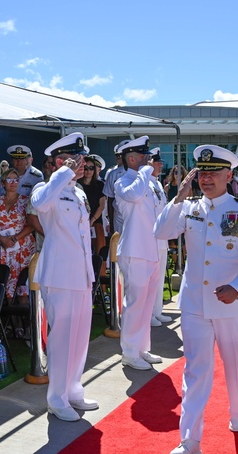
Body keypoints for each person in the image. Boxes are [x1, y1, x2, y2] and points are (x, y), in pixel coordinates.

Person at [153, 144, 238, 454]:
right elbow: (160, 232)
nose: (207, 178)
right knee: (195, 371)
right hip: (194, 304)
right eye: (202, 172)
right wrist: (177, 197)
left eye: (214, 172)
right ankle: (189, 440)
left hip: (231, 303)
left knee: (236, 364)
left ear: (229, 175)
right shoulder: (188, 208)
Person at [30, 133, 97, 422]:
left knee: (80, 337)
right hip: (59, 275)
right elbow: (41, 205)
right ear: (59, 161)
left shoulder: (79, 192)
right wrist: (63, 172)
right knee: (61, 339)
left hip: (80, 274)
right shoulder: (46, 188)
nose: (83, 164)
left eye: (82, 159)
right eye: (77, 159)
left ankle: (73, 390)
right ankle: (56, 398)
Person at [114, 136, 165, 370]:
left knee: (146, 304)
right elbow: (133, 196)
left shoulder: (149, 182)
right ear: (131, 158)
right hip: (135, 251)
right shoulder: (123, 181)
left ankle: (142, 347)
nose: (149, 160)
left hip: (151, 249)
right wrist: (145, 172)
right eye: (144, 156)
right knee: (135, 303)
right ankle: (129, 351)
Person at [0, 168, 35, 303]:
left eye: (16, 180)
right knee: (3, 285)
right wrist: (1, 238)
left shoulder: (26, 201)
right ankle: (7, 322)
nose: (13, 183)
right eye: (9, 180)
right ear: (3, 182)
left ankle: (23, 322)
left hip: (22, 247)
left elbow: (32, 225)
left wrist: (15, 239)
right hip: (1, 247)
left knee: (22, 287)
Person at [149, 148, 171, 325]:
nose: (161, 164)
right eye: (157, 162)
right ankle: (149, 314)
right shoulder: (146, 184)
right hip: (151, 238)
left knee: (159, 277)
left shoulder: (156, 183)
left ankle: (157, 311)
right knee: (151, 278)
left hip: (161, 238)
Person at [79, 154, 107, 250]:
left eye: (91, 168)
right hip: (79, 223)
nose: (88, 171)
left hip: (95, 222)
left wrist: (91, 221)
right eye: (85, 168)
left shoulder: (99, 185)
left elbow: (102, 205)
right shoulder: (77, 185)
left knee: (99, 252)